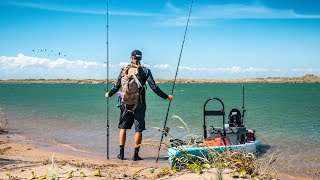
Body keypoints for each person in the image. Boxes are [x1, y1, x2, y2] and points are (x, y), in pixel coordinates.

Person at [105, 50, 173, 161]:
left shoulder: (124, 70)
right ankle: (136, 156)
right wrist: (166, 97)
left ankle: (121, 155)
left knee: (123, 128)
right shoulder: (145, 71)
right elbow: (154, 87)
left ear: (131, 58)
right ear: (140, 58)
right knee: (138, 130)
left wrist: (109, 94)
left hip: (125, 103)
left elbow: (117, 86)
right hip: (139, 104)